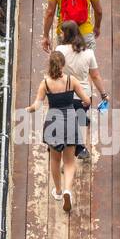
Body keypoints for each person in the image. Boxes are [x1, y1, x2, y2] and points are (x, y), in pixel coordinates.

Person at [25, 51, 90, 212]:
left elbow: (37, 105)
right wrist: (81, 104)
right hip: (69, 120)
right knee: (69, 162)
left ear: (50, 65)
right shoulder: (71, 81)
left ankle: (59, 192)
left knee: (54, 160)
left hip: (53, 121)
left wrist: (29, 109)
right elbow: (87, 100)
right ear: (63, 65)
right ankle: (68, 189)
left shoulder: (45, 84)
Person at [56, 21, 108, 160]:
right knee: (78, 121)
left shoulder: (59, 50)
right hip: (83, 96)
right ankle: (81, 148)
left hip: (64, 94)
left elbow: (54, 72)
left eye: (62, 32)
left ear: (66, 34)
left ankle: (72, 155)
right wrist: (103, 94)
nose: (60, 34)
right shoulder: (89, 53)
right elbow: (95, 76)